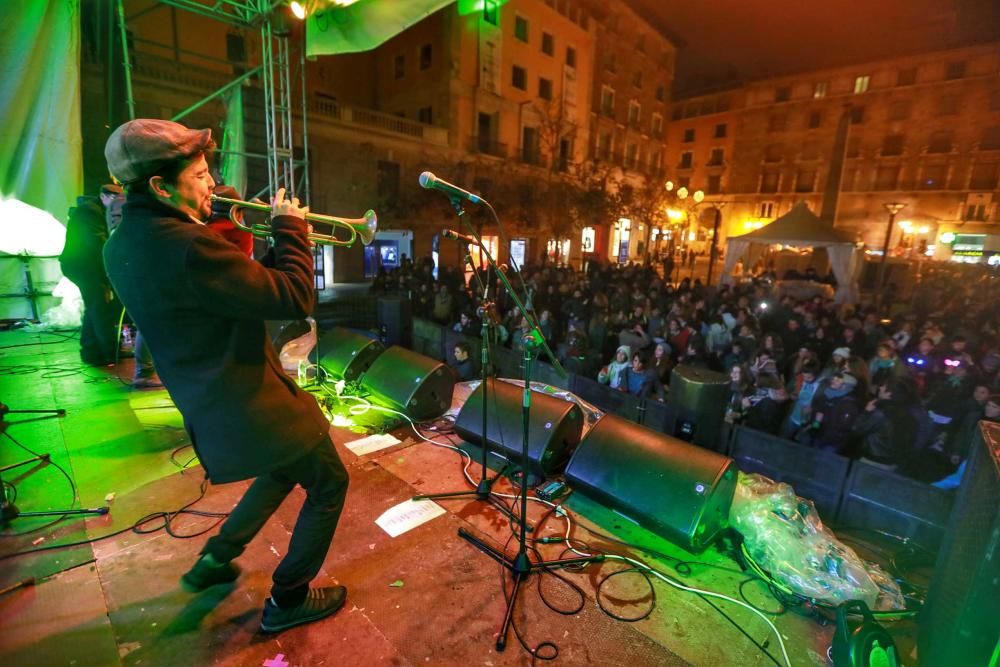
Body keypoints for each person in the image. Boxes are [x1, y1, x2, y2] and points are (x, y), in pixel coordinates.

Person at [102, 119, 349, 633]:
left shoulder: (123, 242)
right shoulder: (190, 247)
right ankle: (287, 600)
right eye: (199, 174)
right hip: (251, 398)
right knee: (329, 483)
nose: (212, 182)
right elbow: (294, 298)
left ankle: (218, 558)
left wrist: (247, 238)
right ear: (160, 187)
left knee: (283, 469)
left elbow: (237, 290)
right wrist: (290, 228)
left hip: (210, 401)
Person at [59, 183, 124, 366]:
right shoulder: (89, 211)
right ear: (103, 196)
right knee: (99, 306)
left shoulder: (101, 210)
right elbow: (98, 243)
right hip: (82, 266)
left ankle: (90, 350)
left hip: (89, 265)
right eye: (114, 200)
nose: (116, 205)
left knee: (95, 306)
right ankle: (109, 353)